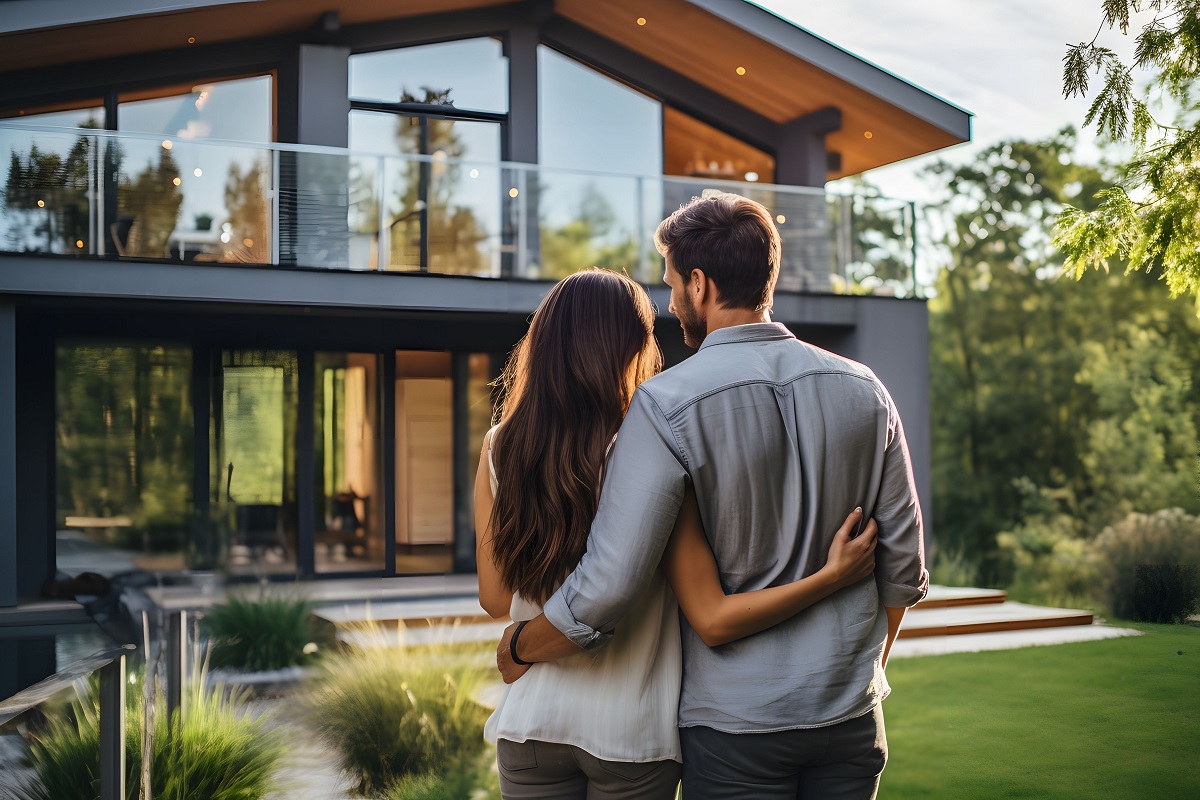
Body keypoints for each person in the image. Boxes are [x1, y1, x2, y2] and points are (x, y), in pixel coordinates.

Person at [497, 193, 929, 800]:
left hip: (735, 729)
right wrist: (856, 675)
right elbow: (903, 571)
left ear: (700, 284)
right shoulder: (868, 391)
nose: (672, 305)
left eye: (673, 285)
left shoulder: (666, 404)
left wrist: (519, 646)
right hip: (851, 721)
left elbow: (609, 586)